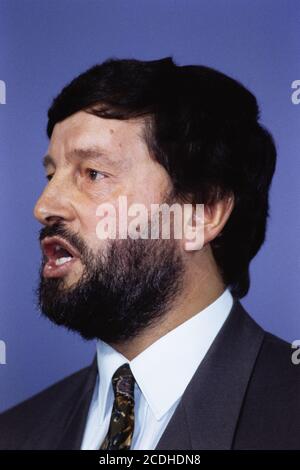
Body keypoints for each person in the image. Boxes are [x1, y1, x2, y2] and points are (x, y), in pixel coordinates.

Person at [0, 57, 299, 450]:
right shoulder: (15, 433)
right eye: (50, 175)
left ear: (202, 213)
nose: (44, 206)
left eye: (93, 174)